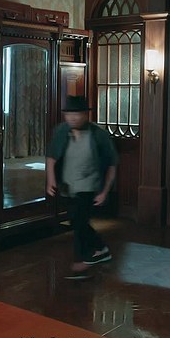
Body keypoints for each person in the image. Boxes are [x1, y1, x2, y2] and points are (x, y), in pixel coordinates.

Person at [46, 95, 118, 280]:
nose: (72, 118)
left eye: (77, 114)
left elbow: (111, 164)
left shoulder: (98, 135)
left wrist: (105, 191)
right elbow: (51, 157)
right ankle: (99, 250)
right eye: (69, 114)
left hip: (89, 186)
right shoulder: (61, 131)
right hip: (68, 186)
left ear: (86, 115)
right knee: (77, 222)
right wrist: (51, 179)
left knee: (79, 222)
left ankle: (83, 262)